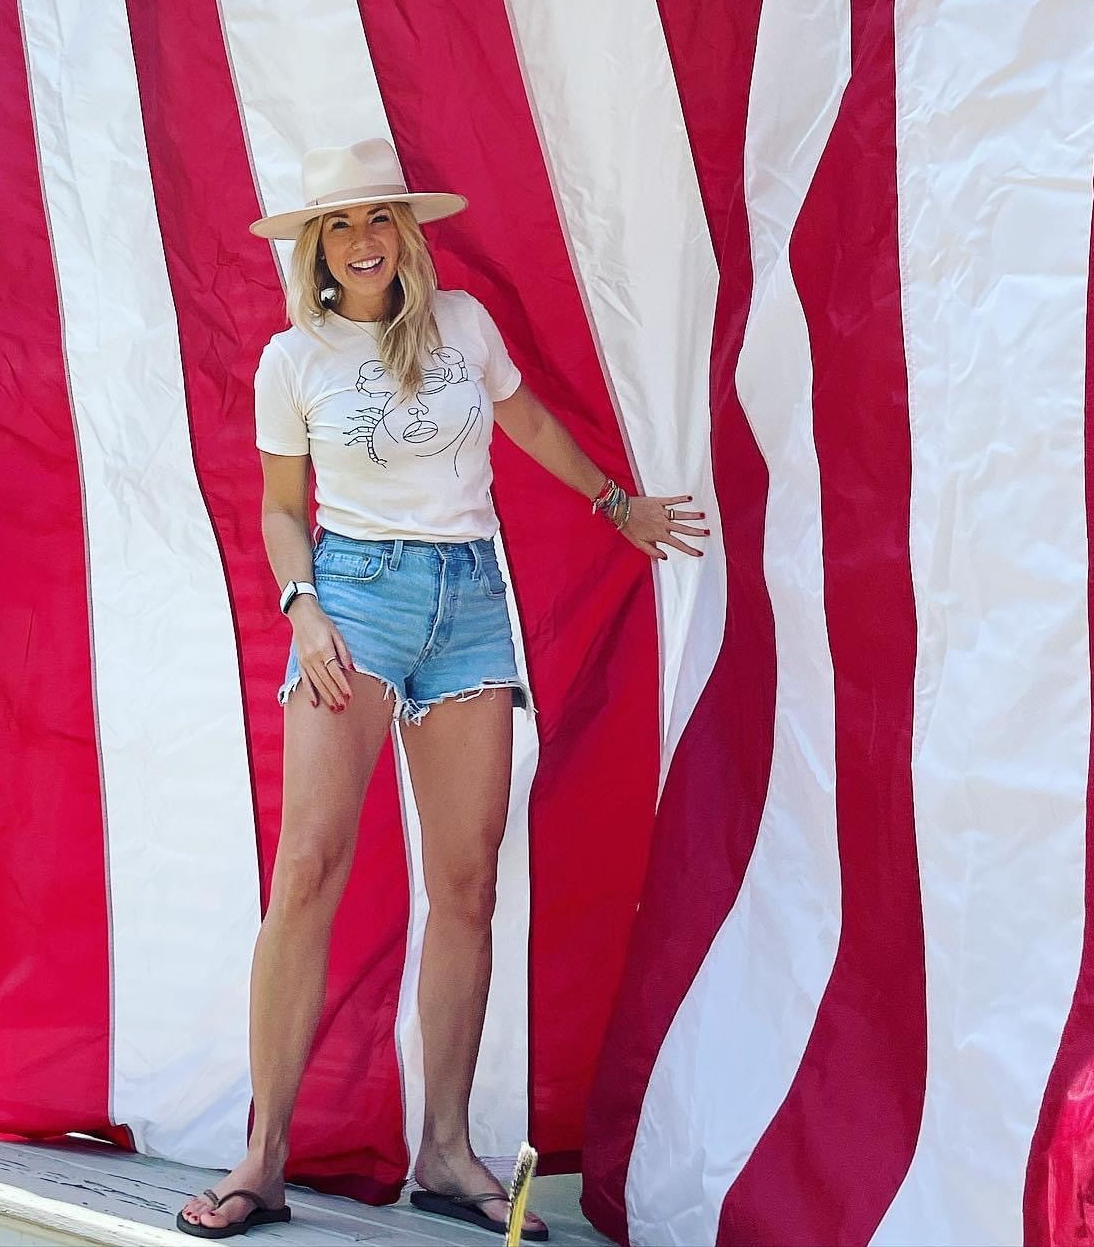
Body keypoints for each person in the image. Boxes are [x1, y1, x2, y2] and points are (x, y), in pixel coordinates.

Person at [177, 139, 707, 1240]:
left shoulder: (463, 325)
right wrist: (302, 606)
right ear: (316, 248)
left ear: (406, 233)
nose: (362, 239)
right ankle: (263, 1158)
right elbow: (281, 506)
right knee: (309, 867)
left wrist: (617, 505)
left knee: (467, 885)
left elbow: (528, 421)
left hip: (469, 602)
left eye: (379, 218)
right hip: (352, 598)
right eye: (339, 224)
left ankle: (448, 1151)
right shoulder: (294, 358)